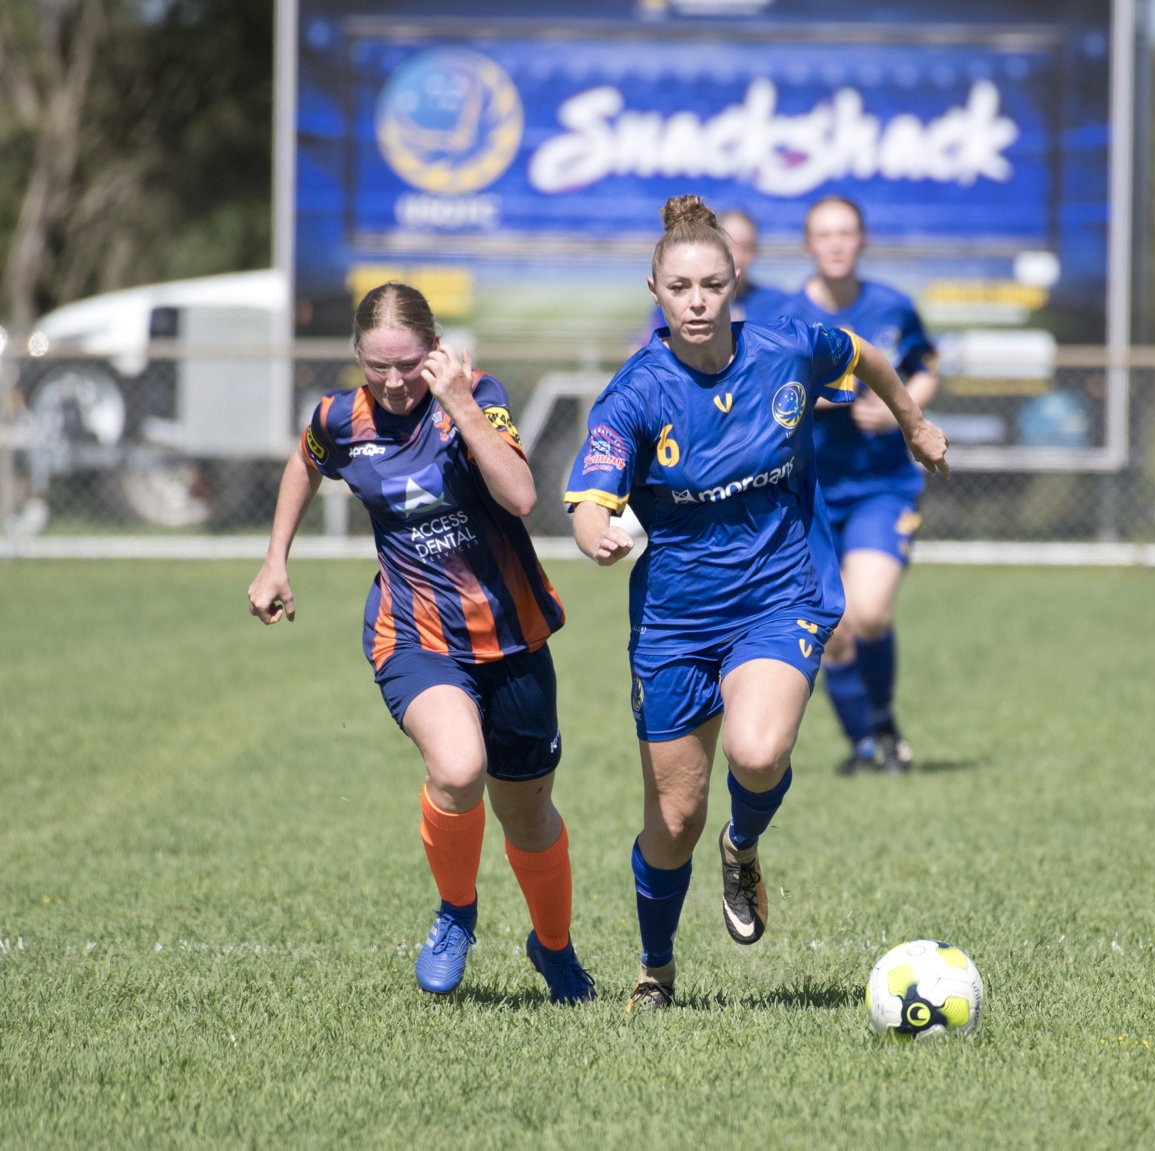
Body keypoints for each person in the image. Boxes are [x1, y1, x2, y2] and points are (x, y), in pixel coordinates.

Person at [565, 195, 949, 1011]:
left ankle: (743, 845)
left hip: (781, 593)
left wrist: (913, 424)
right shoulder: (634, 394)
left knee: (758, 748)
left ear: (736, 281)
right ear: (655, 291)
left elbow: (871, 357)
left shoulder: (788, 344)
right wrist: (592, 527)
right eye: (680, 287)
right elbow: (588, 496)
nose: (697, 301)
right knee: (673, 817)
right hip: (674, 621)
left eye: (712, 283)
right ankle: (656, 970)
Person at [247, 282, 595, 1005]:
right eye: (378, 367)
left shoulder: (479, 395)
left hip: (513, 635)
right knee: (459, 766)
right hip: (414, 635)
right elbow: (304, 462)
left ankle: (553, 948)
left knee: (527, 813)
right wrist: (275, 557)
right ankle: (456, 911)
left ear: (436, 349)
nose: (397, 381)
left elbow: (522, 495)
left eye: (410, 363)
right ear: (358, 358)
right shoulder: (340, 418)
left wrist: (462, 404)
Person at [780, 196, 940, 776]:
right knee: (832, 625)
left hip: (880, 486)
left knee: (867, 612)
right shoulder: (785, 314)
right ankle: (868, 744)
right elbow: (767, 391)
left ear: (863, 239)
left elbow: (924, 366)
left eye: (847, 232)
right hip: (808, 495)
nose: (836, 243)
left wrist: (902, 409)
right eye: (824, 234)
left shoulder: (893, 306)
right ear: (808, 245)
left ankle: (882, 723)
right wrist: (839, 397)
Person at [634, 208, 788, 347]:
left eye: (747, 248)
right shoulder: (674, 302)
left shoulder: (775, 302)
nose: (739, 256)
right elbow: (644, 348)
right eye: (731, 246)